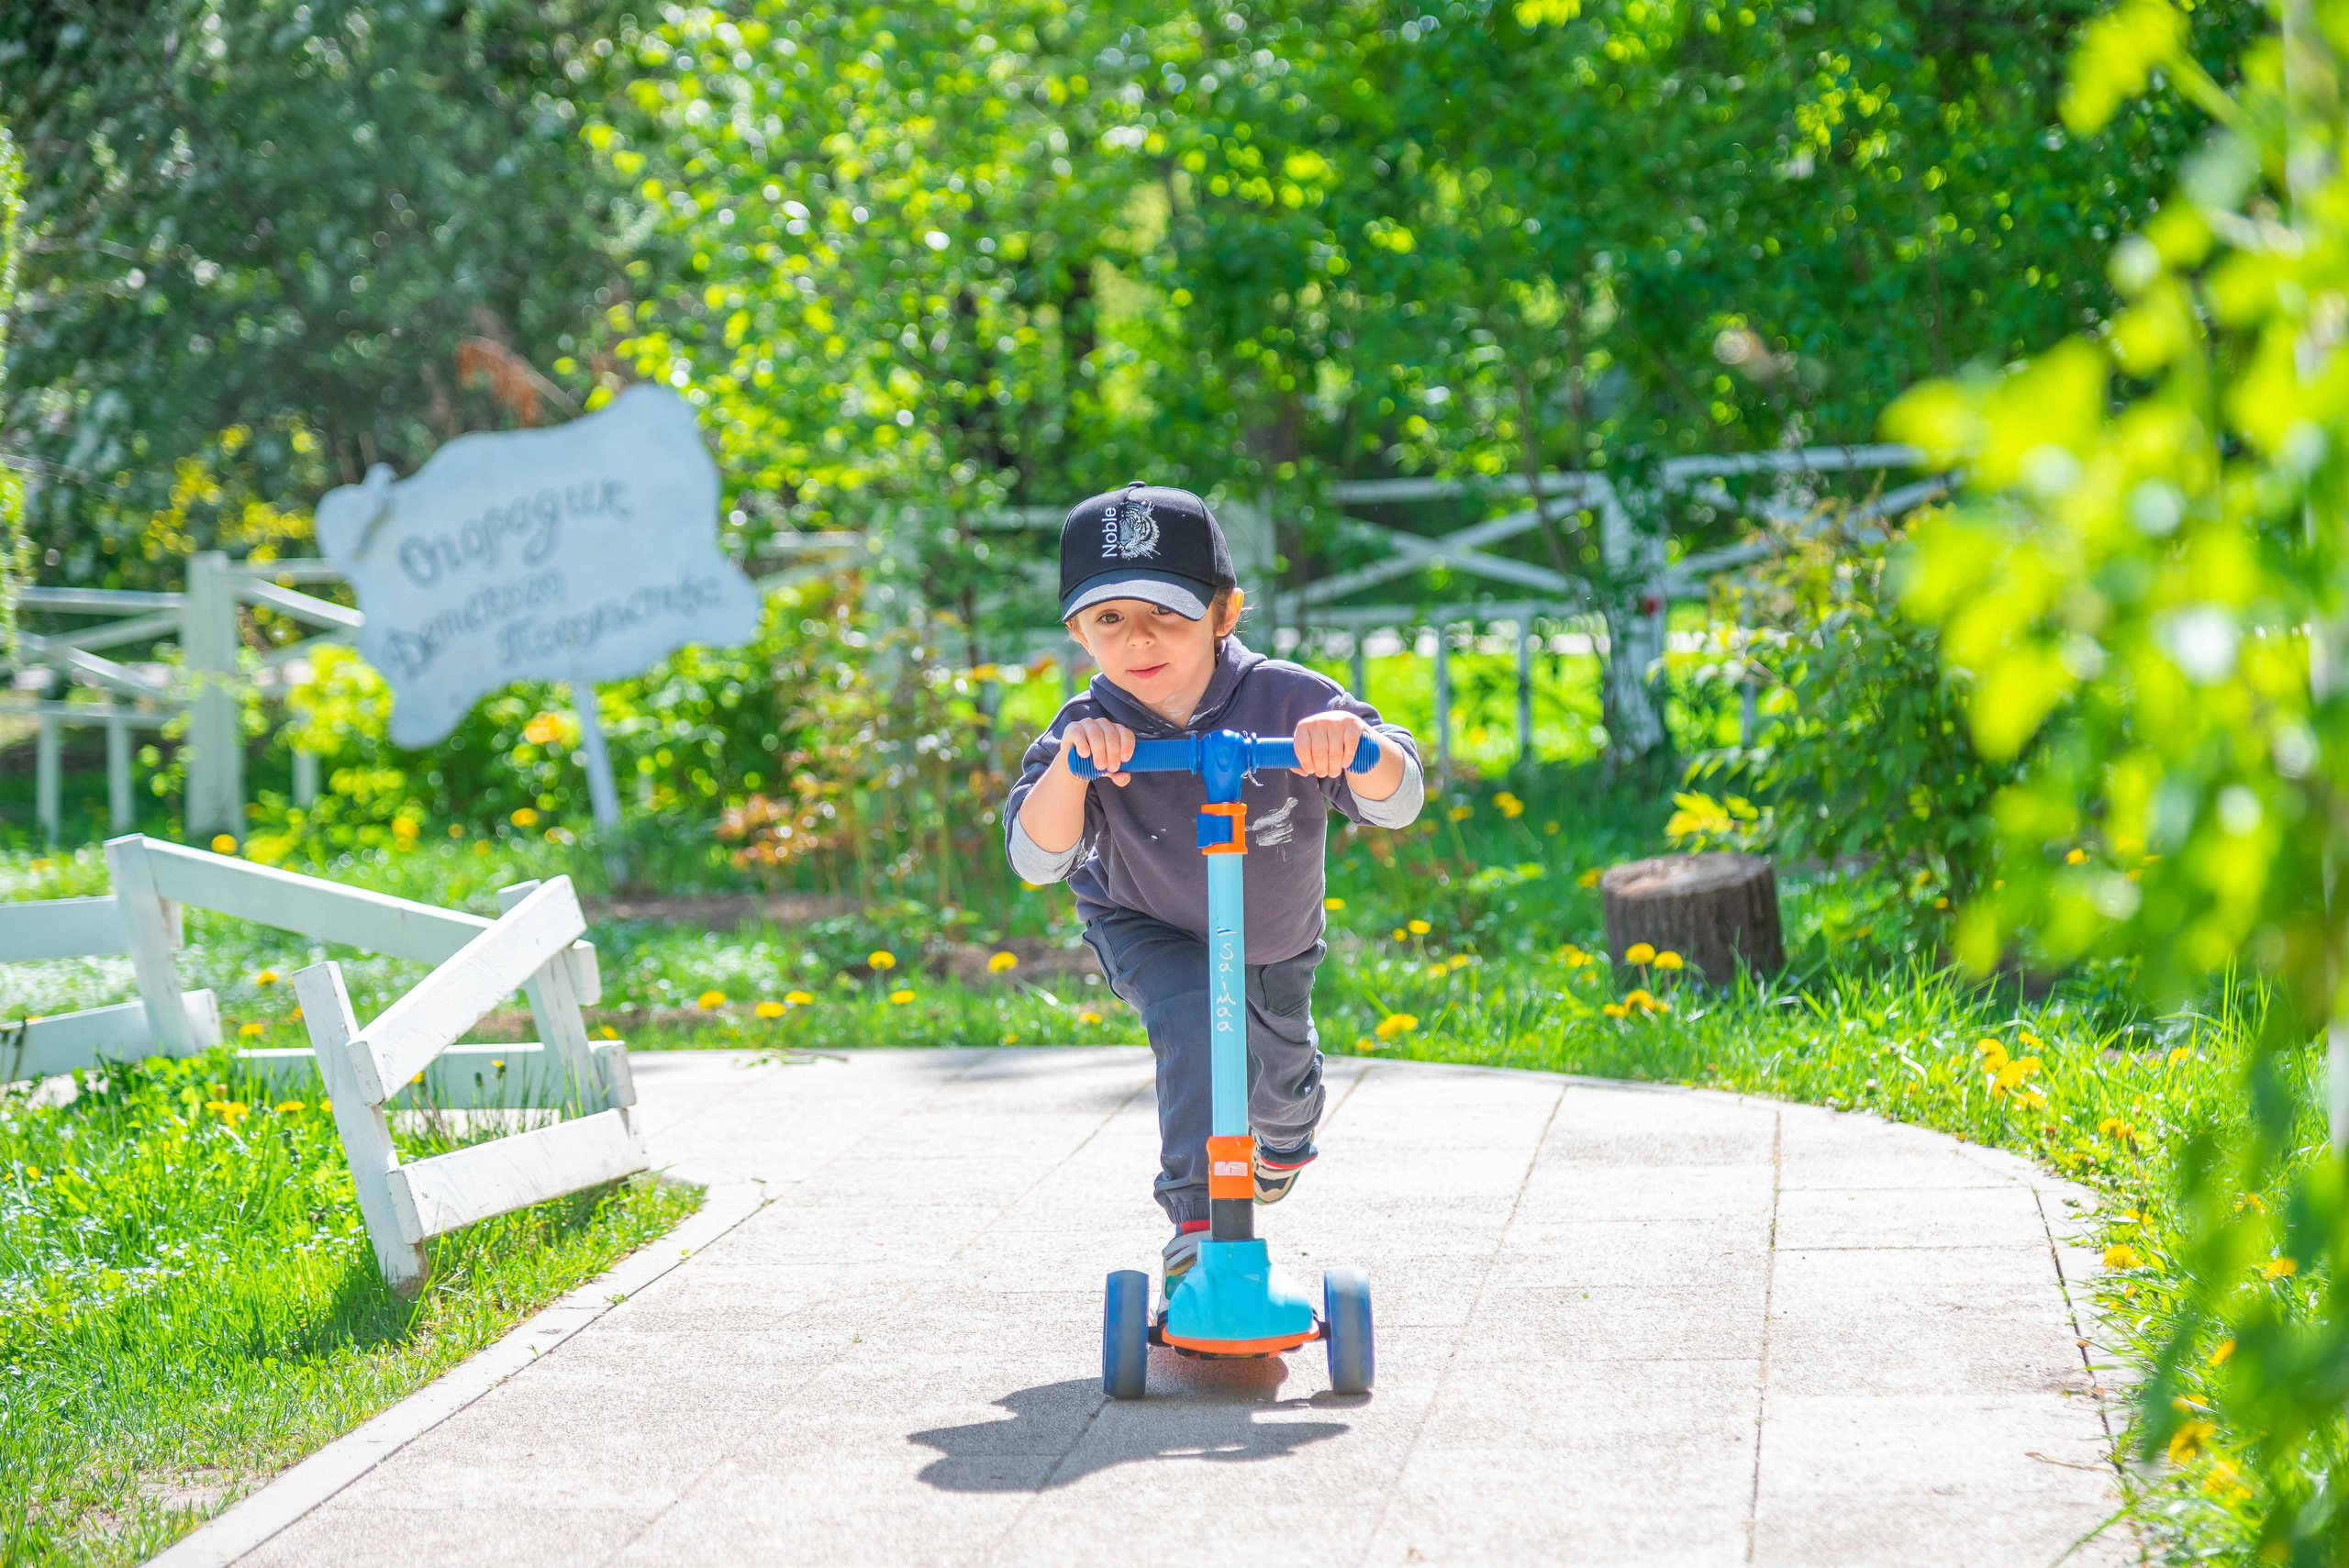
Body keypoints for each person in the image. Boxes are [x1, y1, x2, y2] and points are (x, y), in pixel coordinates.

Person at [1004, 482, 1425, 1297]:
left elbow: (1399, 799)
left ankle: (1285, 1135)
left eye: (1167, 612)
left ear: (1225, 613)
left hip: (1271, 939)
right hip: (1144, 920)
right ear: (1078, 632)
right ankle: (1197, 1226)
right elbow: (1034, 858)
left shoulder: (1292, 700)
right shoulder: (1086, 725)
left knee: (1277, 1097)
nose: (1139, 640)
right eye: (1110, 619)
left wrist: (1356, 747)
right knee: (1195, 1015)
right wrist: (1072, 765)